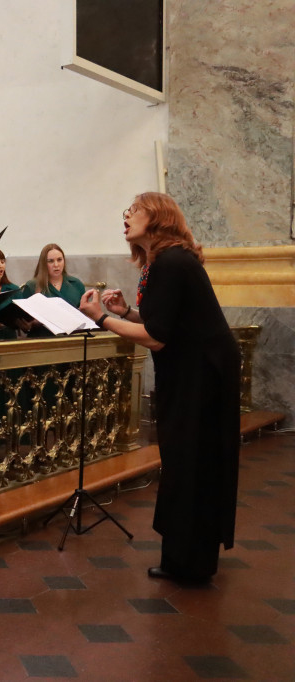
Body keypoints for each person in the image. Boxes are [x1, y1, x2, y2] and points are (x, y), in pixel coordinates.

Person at [78, 192, 239, 584]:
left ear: (159, 218)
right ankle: (184, 557)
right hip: (193, 371)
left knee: (193, 462)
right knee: (185, 461)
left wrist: (101, 318)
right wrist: (124, 313)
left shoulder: (171, 262)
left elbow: (156, 337)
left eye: (135, 209)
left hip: (201, 376)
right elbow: (164, 324)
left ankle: (191, 563)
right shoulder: (164, 262)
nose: (126, 213)